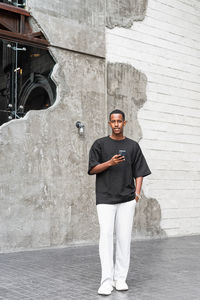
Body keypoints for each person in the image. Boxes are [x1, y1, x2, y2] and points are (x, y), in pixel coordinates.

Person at [88, 109, 151, 296]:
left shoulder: (132, 146)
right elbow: (92, 169)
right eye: (113, 121)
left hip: (127, 200)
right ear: (109, 123)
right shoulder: (99, 144)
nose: (116, 124)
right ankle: (106, 281)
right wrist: (109, 163)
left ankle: (120, 278)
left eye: (119, 121)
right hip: (105, 199)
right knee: (106, 237)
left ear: (124, 123)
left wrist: (137, 194)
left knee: (124, 239)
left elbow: (139, 172)